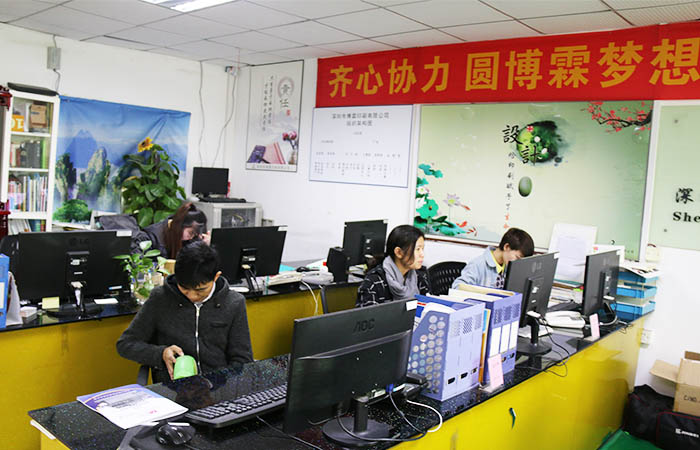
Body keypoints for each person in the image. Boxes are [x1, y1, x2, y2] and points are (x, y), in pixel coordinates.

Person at [116, 241, 253, 382]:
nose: (192, 296)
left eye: (200, 290)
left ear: (216, 277)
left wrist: (224, 385)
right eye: (185, 289)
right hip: (173, 387)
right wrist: (161, 353)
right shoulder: (161, 298)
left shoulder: (233, 303)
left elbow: (242, 359)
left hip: (219, 386)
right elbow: (126, 344)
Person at [356, 225, 430, 307]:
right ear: (399, 252)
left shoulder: (420, 275)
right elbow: (369, 314)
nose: (422, 254)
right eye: (417, 249)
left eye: (422, 249)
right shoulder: (374, 282)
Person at [451, 227, 534, 290]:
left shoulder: (506, 266)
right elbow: (457, 287)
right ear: (506, 247)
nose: (518, 263)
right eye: (517, 257)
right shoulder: (478, 264)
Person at [145, 201, 210, 259]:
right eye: (190, 233)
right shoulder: (151, 236)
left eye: (194, 235)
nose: (191, 237)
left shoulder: (190, 240)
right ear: (180, 225)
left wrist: (204, 247)